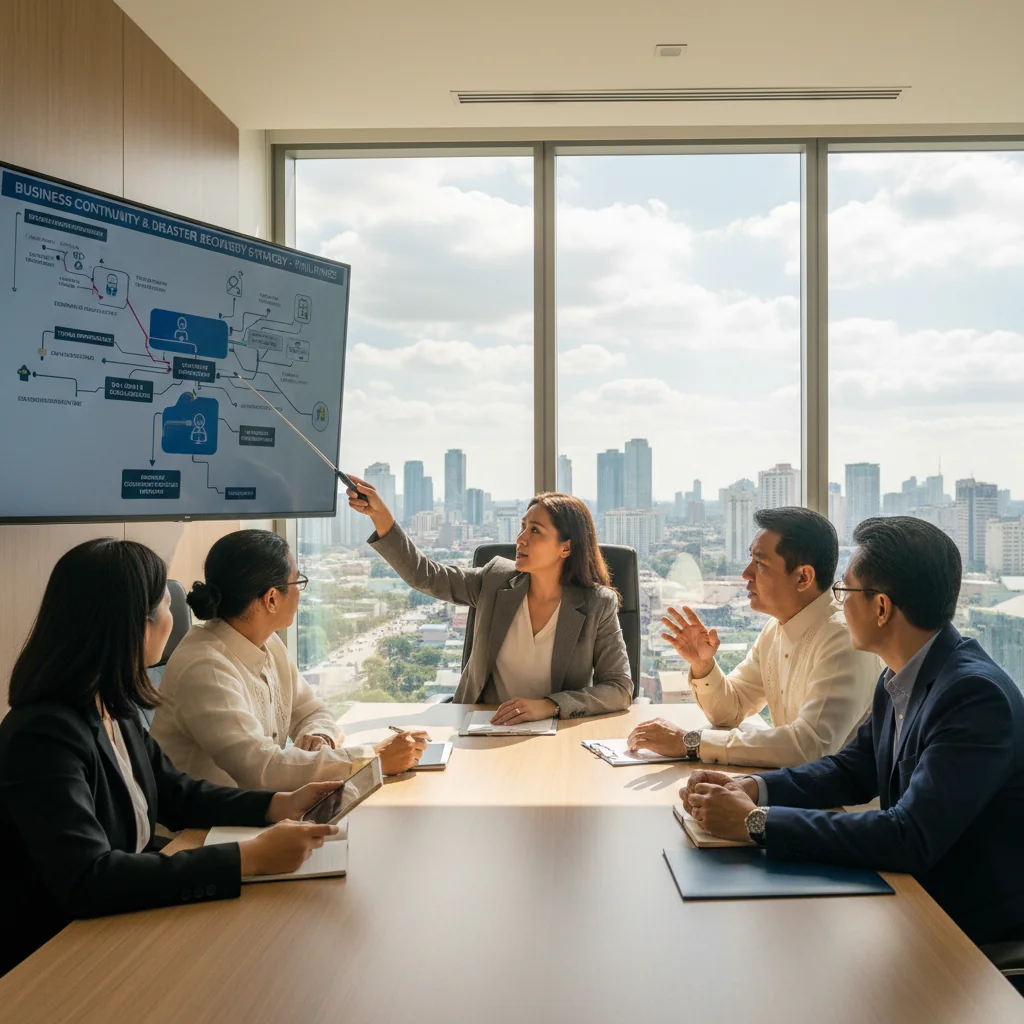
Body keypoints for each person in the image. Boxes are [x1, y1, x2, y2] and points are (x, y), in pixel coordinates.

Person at [0, 539, 348, 975]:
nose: (175, 619)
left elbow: (176, 793)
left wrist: (279, 804)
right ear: (134, 625)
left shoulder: (112, 706)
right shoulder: (43, 736)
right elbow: (88, 879)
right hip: (58, 953)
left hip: (121, 917)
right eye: (166, 606)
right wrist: (249, 857)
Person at [684, 517, 1024, 947]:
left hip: (962, 926)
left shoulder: (974, 696)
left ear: (881, 608)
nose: (837, 603)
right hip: (910, 899)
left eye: (844, 591)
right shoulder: (902, 675)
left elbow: (910, 836)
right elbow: (849, 770)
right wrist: (751, 788)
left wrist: (755, 822)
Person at [151, 530, 427, 787]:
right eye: (298, 581)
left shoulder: (268, 642)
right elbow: (261, 768)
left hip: (252, 816)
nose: (299, 592)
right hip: (200, 831)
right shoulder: (205, 666)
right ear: (271, 598)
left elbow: (312, 711)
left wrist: (320, 736)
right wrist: (372, 758)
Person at [347, 477, 632, 722]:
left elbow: (619, 688)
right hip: (483, 723)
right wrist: (381, 517)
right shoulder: (495, 580)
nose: (520, 539)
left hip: (555, 733)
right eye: (523, 527)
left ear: (566, 548)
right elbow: (427, 576)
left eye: (535, 531)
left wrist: (550, 705)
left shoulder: (597, 604)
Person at [628, 507, 880, 767]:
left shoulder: (842, 639)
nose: (746, 574)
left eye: (760, 563)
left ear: (803, 577)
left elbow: (810, 747)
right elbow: (733, 709)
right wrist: (703, 667)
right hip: (796, 792)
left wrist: (691, 742)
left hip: (840, 807)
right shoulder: (776, 628)